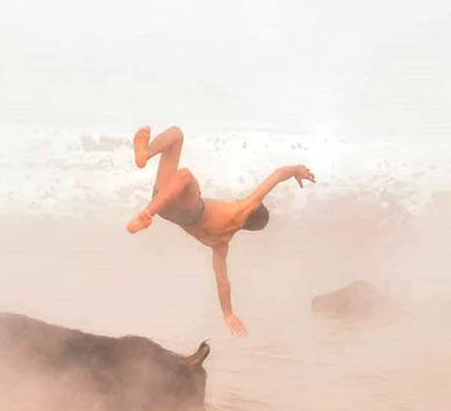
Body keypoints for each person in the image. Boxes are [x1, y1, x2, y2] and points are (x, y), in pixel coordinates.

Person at [126, 125, 315, 338]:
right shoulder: (221, 243)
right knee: (178, 144)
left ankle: (146, 212)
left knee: (183, 165)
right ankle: (144, 155)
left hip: (180, 207)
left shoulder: (242, 207)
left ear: (252, 209)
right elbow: (222, 279)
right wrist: (228, 314)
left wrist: (296, 170)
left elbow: (278, 175)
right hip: (168, 207)